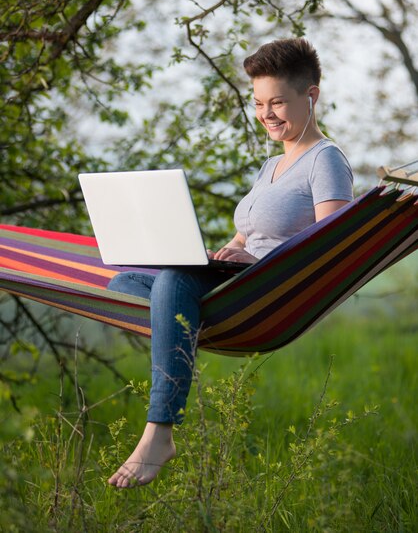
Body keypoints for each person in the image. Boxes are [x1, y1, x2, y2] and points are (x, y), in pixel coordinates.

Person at [106, 37, 353, 488]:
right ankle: (183, 312)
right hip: (237, 279)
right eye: (258, 103)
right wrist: (225, 252)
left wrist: (252, 261)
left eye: (277, 102)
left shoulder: (326, 159)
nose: (266, 114)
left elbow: (330, 245)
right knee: (124, 280)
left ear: (310, 96)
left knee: (174, 282)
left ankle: (159, 431)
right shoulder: (269, 167)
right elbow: (247, 234)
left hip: (268, 290)